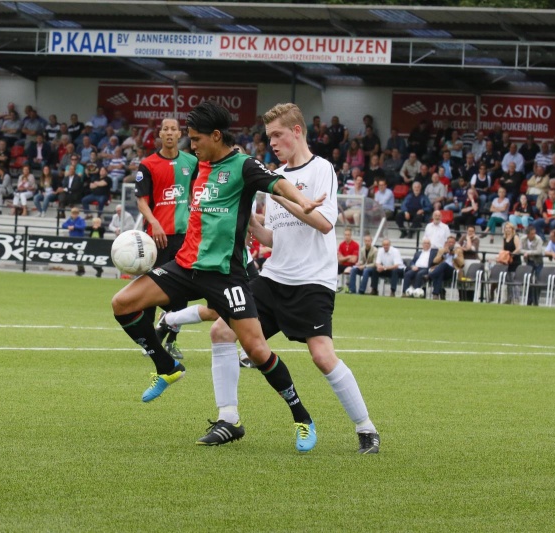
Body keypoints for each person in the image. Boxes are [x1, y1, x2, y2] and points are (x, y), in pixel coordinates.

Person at [110, 101, 324, 451]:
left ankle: (302, 418)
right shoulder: (198, 167)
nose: (190, 146)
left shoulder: (243, 165)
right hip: (184, 266)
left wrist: (303, 202)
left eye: (195, 139)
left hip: (226, 275)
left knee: (257, 349)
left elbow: (278, 183)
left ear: (216, 136)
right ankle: (166, 366)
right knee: (123, 304)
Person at [196, 102, 378, 453]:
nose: (273, 143)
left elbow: (324, 223)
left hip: (312, 281)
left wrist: (284, 195)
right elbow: (271, 239)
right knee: (220, 331)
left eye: (278, 135)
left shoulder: (321, 169)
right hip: (274, 277)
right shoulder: (273, 176)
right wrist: (248, 216)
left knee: (323, 356)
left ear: (297, 132)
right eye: (269, 137)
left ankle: (366, 428)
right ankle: (228, 419)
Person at [133, 117, 198, 358]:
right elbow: (142, 201)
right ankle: (150, 340)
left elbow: (196, 193)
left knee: (181, 292)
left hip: (183, 238)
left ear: (180, 133)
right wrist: (155, 223)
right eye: (165, 129)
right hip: (156, 237)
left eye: (173, 129)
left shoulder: (191, 162)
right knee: (151, 289)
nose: (169, 133)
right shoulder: (148, 164)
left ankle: (171, 340)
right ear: (159, 134)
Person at [429, 235, 465, 301]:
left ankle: (430, 276)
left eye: (452, 242)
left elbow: (462, 264)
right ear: (446, 243)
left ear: (454, 243)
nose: (450, 244)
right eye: (449, 242)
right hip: (442, 271)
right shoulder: (442, 250)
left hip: (453, 271)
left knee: (444, 264)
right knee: (440, 273)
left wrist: (454, 255)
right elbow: (435, 261)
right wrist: (443, 255)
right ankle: (436, 294)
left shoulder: (458, 251)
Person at [62, 207, 87, 276]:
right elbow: (63, 225)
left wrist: (74, 227)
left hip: (79, 239)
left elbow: (83, 227)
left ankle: (81, 269)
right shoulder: (70, 219)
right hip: (72, 238)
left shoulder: (81, 220)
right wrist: (68, 227)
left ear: (78, 214)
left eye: (76, 214)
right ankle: (80, 269)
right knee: (75, 255)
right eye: (73, 213)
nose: (74, 215)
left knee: (79, 254)